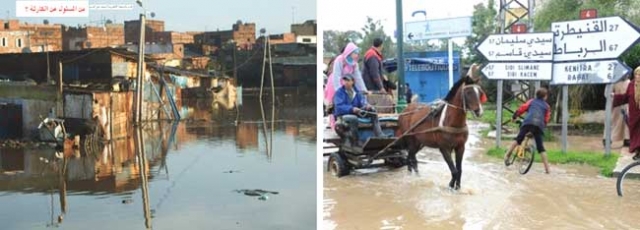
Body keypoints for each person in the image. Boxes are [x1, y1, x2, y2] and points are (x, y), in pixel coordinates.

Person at [504, 88, 552, 174]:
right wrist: (542, 126)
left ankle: (507, 156)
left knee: (518, 140)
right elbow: (546, 118)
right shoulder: (547, 106)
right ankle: (547, 169)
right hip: (539, 126)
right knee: (541, 148)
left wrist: (514, 117)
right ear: (545, 97)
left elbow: (522, 109)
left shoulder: (531, 101)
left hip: (527, 122)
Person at [324, 42, 368, 129]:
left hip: (348, 84)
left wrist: (363, 90)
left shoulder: (355, 64)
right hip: (335, 84)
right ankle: (334, 125)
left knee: (348, 102)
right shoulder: (340, 60)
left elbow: (357, 77)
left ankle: (347, 124)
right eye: (355, 53)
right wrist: (339, 91)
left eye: (357, 54)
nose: (357, 55)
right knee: (335, 104)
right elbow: (336, 76)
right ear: (350, 52)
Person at [334, 74, 384, 147]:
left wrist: (366, 106)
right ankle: (355, 141)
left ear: (353, 82)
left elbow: (362, 101)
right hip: (343, 115)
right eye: (344, 80)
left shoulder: (357, 92)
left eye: (348, 80)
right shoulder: (339, 92)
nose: (346, 82)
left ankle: (379, 134)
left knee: (372, 111)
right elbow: (339, 107)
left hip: (357, 112)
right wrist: (351, 109)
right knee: (353, 118)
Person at [613, 66, 640, 160]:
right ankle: (638, 152)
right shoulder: (631, 84)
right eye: (636, 74)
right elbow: (626, 97)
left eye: (639, 74)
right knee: (634, 134)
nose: (637, 76)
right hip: (634, 115)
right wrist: (616, 98)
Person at [604, 75, 631, 147]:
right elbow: (607, 93)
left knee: (626, 122)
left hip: (626, 105)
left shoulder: (629, 82)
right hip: (615, 105)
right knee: (612, 121)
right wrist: (614, 98)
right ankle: (607, 139)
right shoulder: (612, 82)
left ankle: (627, 139)